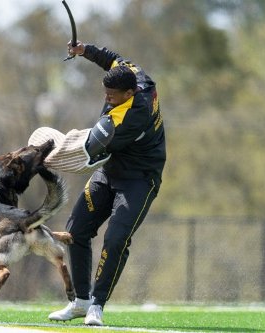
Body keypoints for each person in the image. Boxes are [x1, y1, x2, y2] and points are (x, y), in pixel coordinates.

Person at [48, 41, 166, 326]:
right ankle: (80, 302)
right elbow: (113, 59)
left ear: (130, 93)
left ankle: (97, 306)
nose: (108, 99)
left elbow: (89, 150)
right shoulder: (134, 75)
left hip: (139, 179)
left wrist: (49, 155)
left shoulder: (130, 117)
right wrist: (85, 50)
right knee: (76, 231)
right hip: (110, 173)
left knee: (115, 239)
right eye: (106, 94)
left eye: (113, 96)